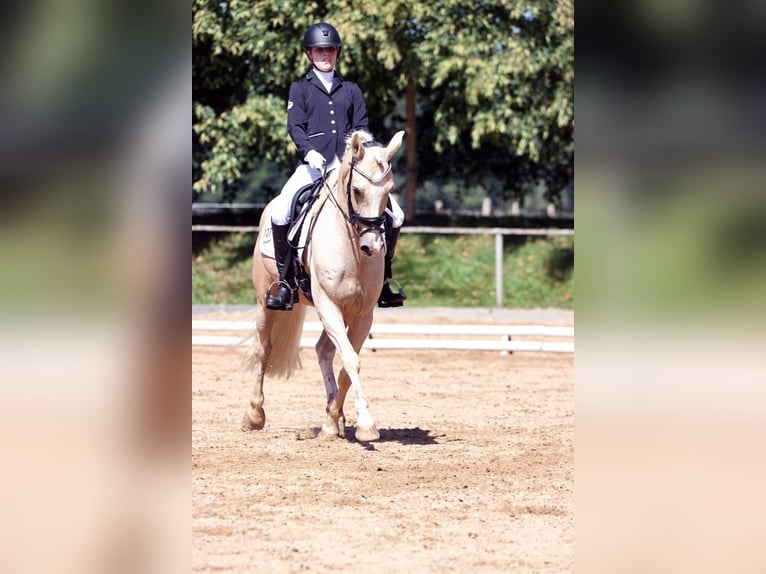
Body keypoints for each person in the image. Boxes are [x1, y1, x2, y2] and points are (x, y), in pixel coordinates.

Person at [265, 22, 406, 311]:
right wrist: (309, 152)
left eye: (330, 50)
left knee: (397, 216)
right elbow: (295, 127)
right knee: (281, 212)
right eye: (319, 50)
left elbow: (362, 128)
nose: (325, 55)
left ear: (337, 53)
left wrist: (367, 153)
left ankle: (385, 280)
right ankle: (285, 283)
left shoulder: (351, 89)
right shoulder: (299, 89)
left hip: (349, 169)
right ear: (309, 54)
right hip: (312, 166)